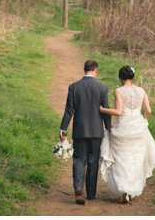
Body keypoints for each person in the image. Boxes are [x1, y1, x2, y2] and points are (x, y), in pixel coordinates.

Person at [98, 65, 155, 203]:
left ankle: (124, 191)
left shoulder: (119, 91)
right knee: (136, 160)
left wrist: (103, 109)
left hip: (123, 128)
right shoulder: (141, 90)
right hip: (138, 128)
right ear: (132, 76)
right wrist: (143, 121)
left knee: (122, 160)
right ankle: (131, 189)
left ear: (120, 77)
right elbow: (149, 110)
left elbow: (118, 112)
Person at [59, 59, 112, 205]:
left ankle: (78, 189)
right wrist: (108, 128)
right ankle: (91, 193)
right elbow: (106, 109)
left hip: (80, 131)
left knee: (79, 159)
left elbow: (69, 110)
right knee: (93, 161)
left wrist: (62, 129)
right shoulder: (102, 87)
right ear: (96, 70)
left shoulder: (74, 87)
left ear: (84, 70)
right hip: (96, 131)